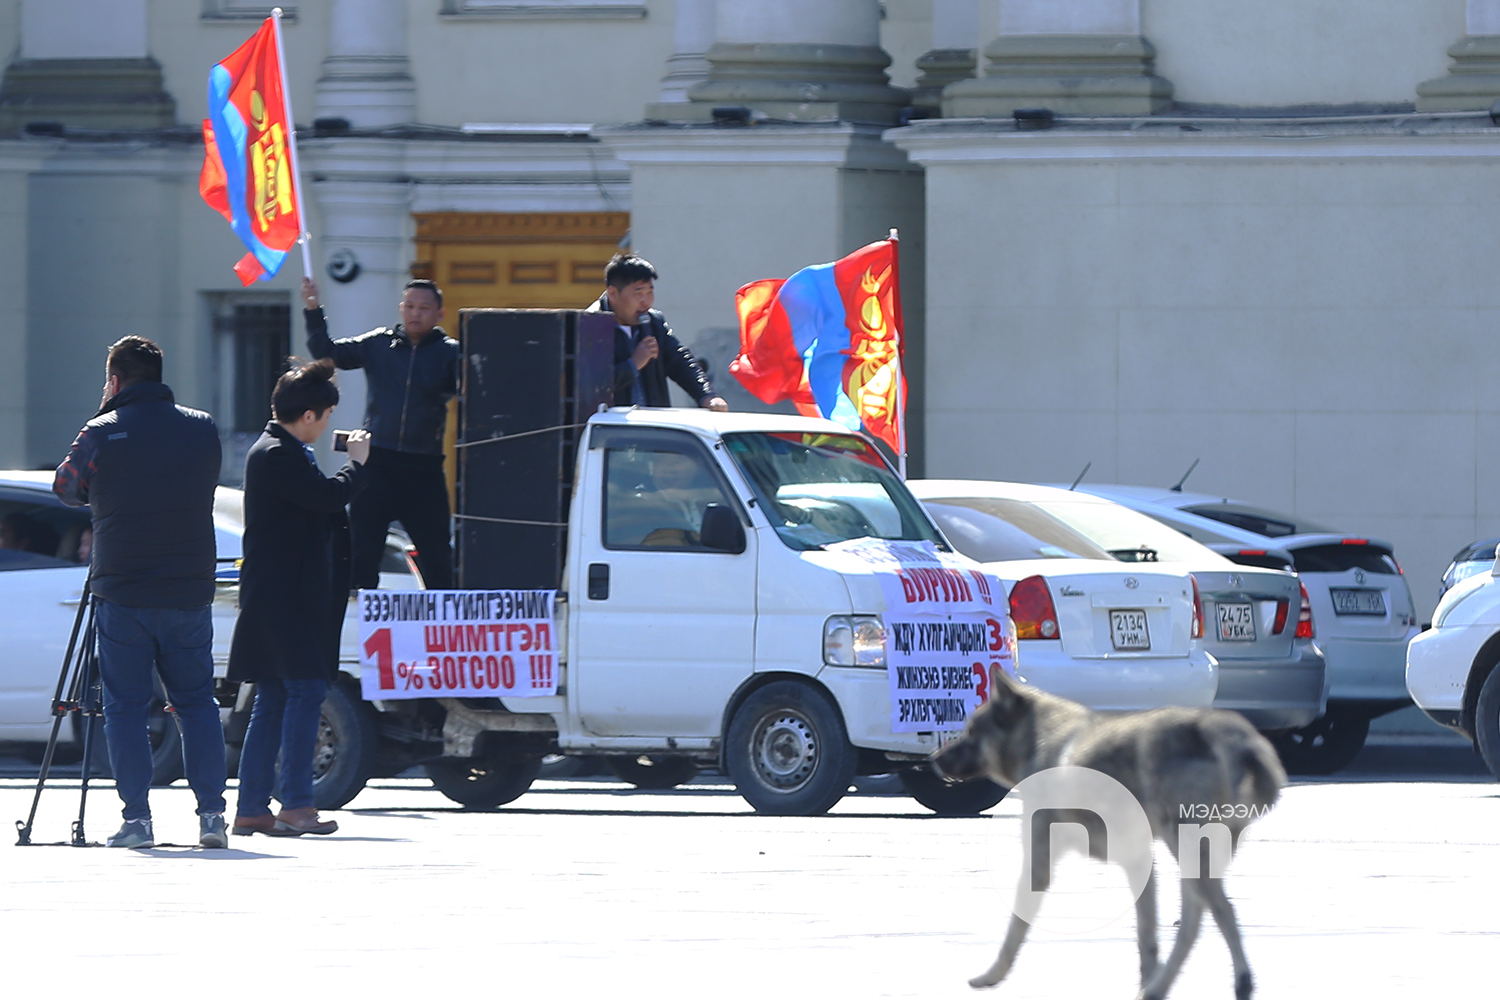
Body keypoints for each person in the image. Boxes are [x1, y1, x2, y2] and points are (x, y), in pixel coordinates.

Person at [54, 336, 228, 849]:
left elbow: (66, 488)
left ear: (114, 380)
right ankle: (212, 818)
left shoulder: (101, 431)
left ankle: (137, 821)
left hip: (123, 589)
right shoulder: (201, 429)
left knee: (126, 708)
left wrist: (104, 423)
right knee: (196, 704)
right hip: (189, 588)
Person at [228, 360, 370, 837]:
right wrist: (358, 465)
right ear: (309, 415)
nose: (327, 424)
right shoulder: (277, 454)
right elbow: (327, 498)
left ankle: (252, 806)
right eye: (326, 414)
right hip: (287, 600)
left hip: (279, 597)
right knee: (305, 690)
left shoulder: (278, 449)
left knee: (274, 696)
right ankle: (296, 803)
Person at [302, 277, 458, 592]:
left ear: (439, 314)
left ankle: (444, 628)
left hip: (423, 466)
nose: (416, 314)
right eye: (410, 306)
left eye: (424, 308)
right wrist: (312, 309)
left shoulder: (451, 354)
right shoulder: (378, 344)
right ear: (401, 308)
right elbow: (325, 352)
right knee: (361, 553)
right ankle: (356, 628)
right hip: (377, 463)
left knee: (437, 557)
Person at [585, 253, 729, 411]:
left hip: (651, 426)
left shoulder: (654, 323)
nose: (646, 301)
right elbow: (590, 384)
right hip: (609, 429)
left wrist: (707, 396)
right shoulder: (590, 326)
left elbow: (680, 361)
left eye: (649, 292)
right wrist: (633, 364)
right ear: (613, 293)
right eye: (638, 293)